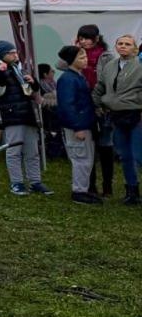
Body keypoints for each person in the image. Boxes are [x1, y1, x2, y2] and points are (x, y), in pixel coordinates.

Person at [0, 39, 48, 197]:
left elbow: (34, 90)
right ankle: (17, 182)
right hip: (12, 114)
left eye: (16, 52)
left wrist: (33, 82)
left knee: (32, 150)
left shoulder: (20, 68)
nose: (15, 55)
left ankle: (35, 181)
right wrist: (1, 74)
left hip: (28, 113)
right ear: (3, 55)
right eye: (11, 53)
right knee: (14, 151)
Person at [92, 33, 142, 206]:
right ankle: (132, 190)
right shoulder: (110, 66)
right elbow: (100, 87)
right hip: (115, 114)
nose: (123, 46)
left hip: (136, 114)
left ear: (134, 48)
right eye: (120, 43)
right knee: (124, 155)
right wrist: (97, 104)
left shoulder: (139, 65)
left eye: (127, 44)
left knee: (138, 154)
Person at [56, 45, 101, 205]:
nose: (85, 60)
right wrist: (77, 126)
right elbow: (67, 105)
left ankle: (84, 188)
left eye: (85, 57)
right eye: (81, 58)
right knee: (80, 158)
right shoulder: (68, 79)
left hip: (85, 123)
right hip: (77, 126)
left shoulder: (78, 77)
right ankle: (79, 191)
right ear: (71, 61)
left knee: (86, 158)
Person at [76, 24, 116, 196]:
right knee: (88, 147)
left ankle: (107, 185)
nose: (83, 41)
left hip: (101, 106)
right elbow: (60, 64)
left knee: (106, 146)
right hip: (84, 105)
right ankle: (90, 185)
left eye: (86, 38)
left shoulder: (106, 56)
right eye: (81, 38)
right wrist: (74, 48)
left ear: (96, 39)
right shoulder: (77, 54)